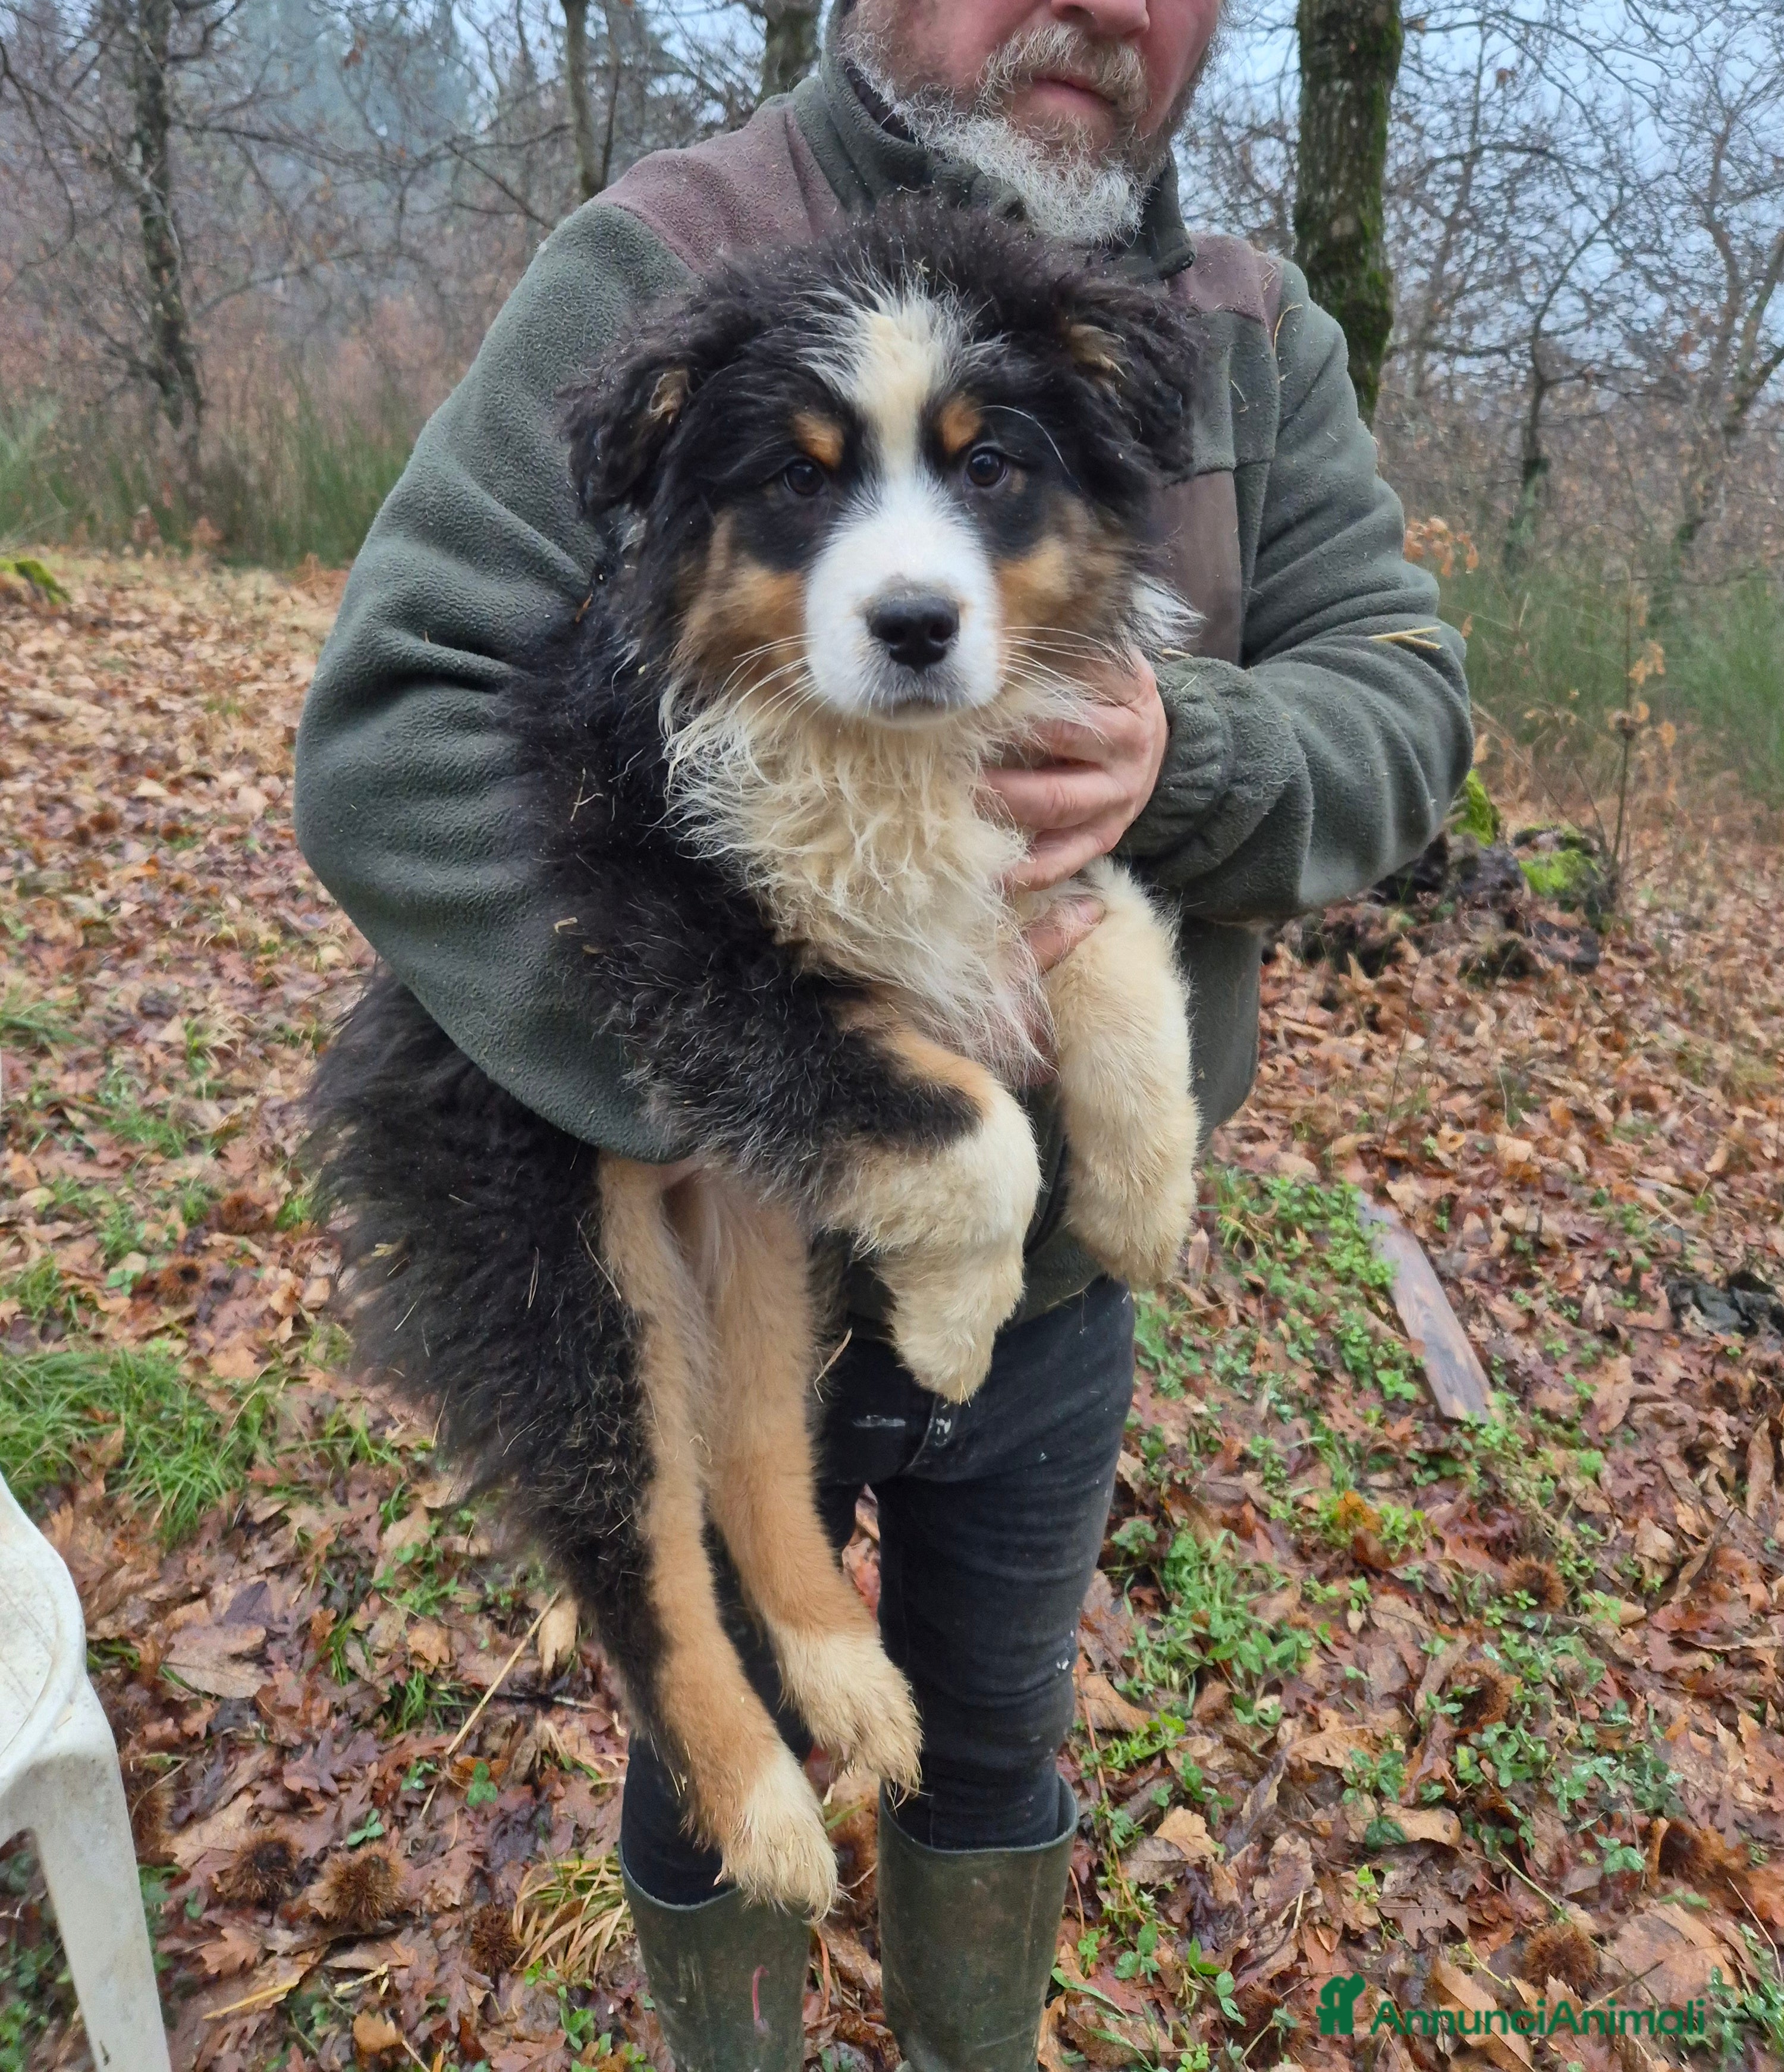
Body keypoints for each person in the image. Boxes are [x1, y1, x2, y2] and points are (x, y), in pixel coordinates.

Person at [293, 1, 1472, 2064]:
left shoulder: (1247, 323)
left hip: (1061, 1300)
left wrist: (1186, 750)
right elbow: (393, 737)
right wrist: (760, 1092)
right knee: (724, 1736)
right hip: (718, 1243)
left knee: (997, 1734)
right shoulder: (675, 250)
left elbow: (1407, 707)